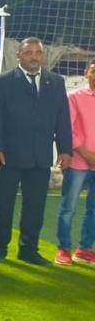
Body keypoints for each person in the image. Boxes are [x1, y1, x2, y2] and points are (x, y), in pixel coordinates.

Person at [0, 37, 71, 265]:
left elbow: (63, 118)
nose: (34, 56)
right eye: (28, 52)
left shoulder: (56, 82)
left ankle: (28, 250)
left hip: (40, 156)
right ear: (18, 55)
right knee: (2, 204)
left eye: (38, 52)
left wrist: (65, 150)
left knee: (35, 206)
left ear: (42, 55)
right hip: (8, 156)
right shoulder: (1, 82)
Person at [55, 60, 95, 265]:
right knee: (68, 208)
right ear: (86, 73)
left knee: (94, 210)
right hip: (78, 163)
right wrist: (87, 154)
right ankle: (63, 249)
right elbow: (66, 129)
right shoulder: (74, 97)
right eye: (94, 71)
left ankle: (85, 249)